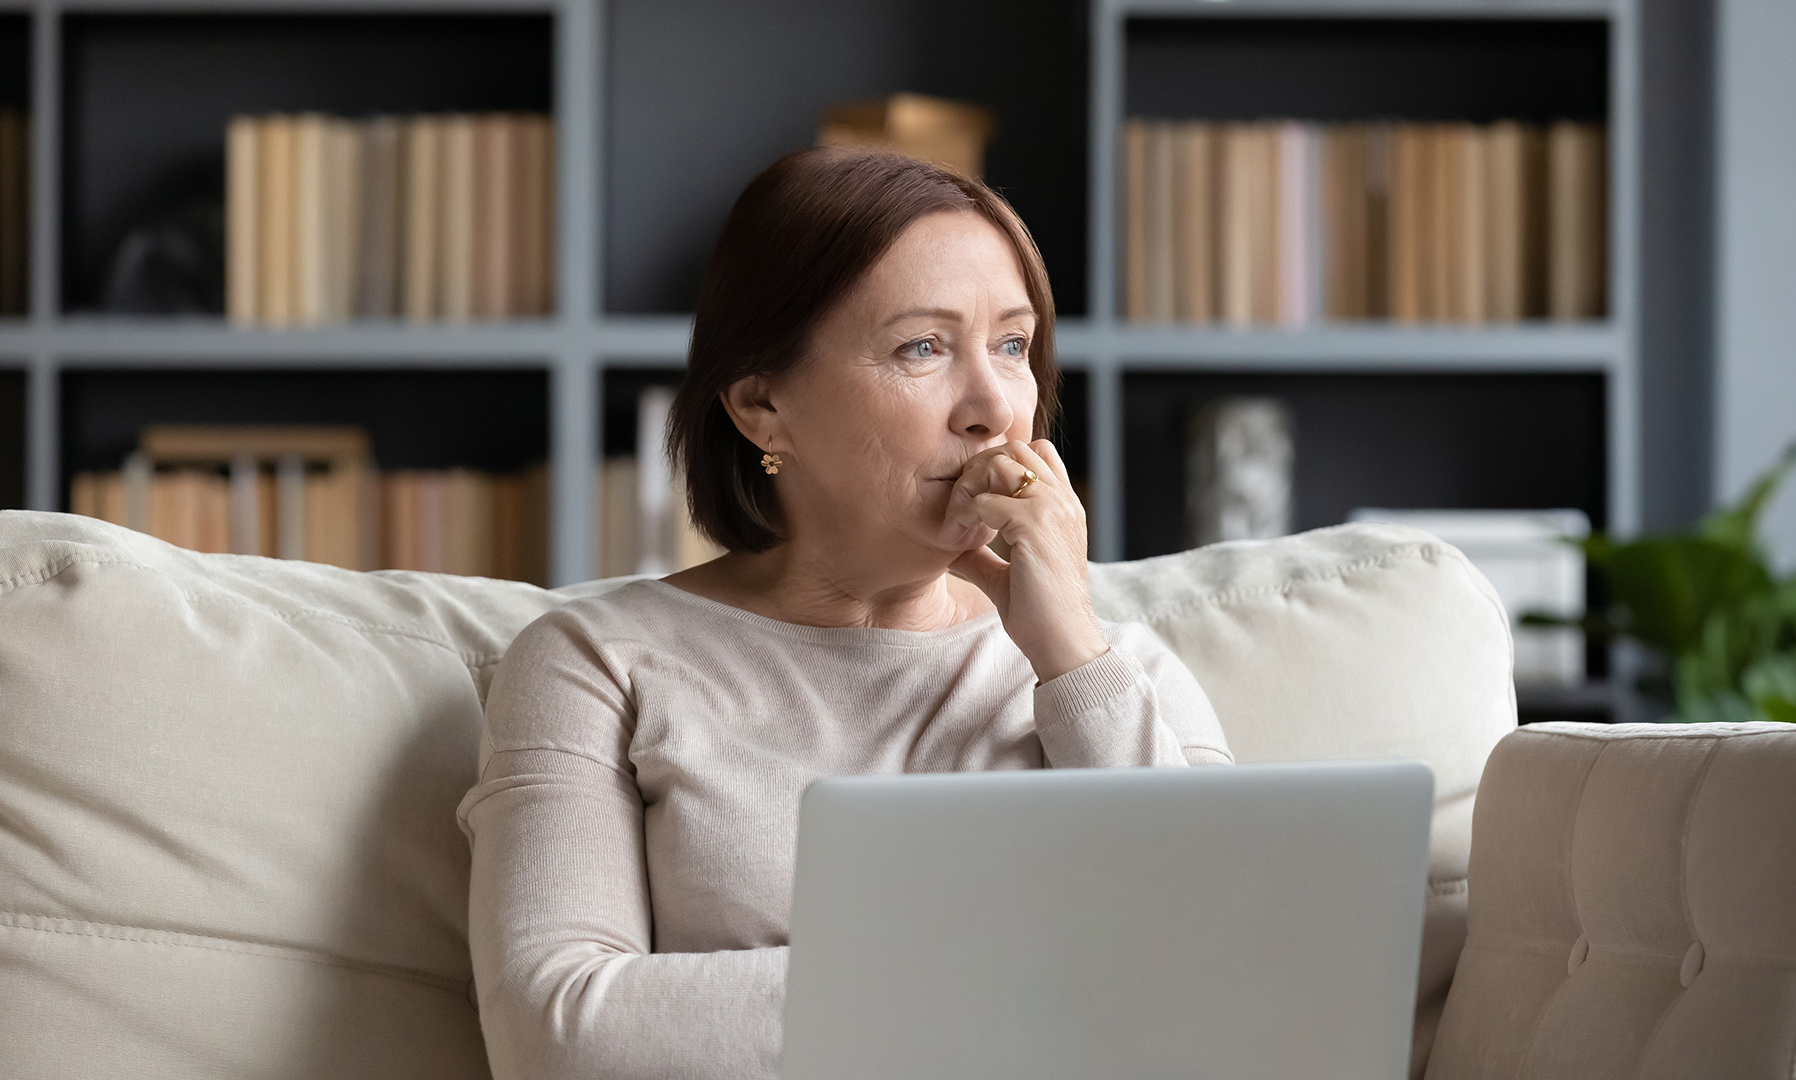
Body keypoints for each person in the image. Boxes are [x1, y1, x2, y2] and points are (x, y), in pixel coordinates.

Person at [457, 147, 1232, 1080]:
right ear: (760, 405)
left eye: (1014, 345)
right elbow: (558, 1031)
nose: (994, 408)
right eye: (923, 348)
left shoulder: (1116, 670)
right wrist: (1048, 992)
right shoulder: (594, 662)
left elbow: (1220, 994)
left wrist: (1069, 653)